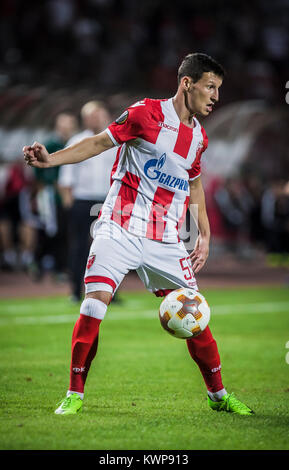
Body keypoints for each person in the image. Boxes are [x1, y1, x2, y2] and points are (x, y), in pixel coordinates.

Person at [23, 53, 254, 416]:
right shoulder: (144, 114)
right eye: (210, 87)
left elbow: (194, 188)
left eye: (218, 89)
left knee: (196, 316)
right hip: (119, 226)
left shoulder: (199, 138)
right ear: (187, 83)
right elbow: (99, 142)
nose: (215, 97)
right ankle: (74, 394)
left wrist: (203, 235)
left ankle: (219, 396)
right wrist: (51, 159)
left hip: (165, 238)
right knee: (93, 303)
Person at [58, 101, 116, 302]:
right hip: (82, 200)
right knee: (79, 247)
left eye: (99, 114)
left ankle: (110, 293)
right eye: (92, 115)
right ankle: (75, 291)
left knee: (111, 248)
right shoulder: (77, 140)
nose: (96, 119)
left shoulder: (115, 140)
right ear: (85, 119)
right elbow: (66, 176)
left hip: (108, 201)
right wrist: (69, 203)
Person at [31, 112, 78, 280]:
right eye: (63, 124)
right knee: (50, 231)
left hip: (69, 195)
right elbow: (41, 173)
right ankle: (38, 262)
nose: (66, 127)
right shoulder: (50, 144)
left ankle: (59, 267)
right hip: (52, 196)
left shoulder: (76, 143)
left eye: (69, 123)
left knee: (64, 232)